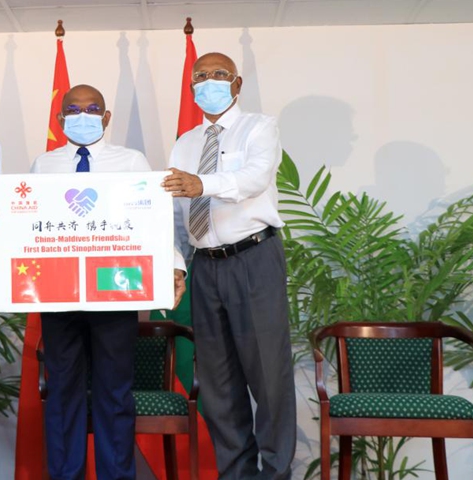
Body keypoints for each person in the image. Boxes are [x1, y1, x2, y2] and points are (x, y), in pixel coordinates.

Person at [31, 84, 186, 480]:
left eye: (93, 108)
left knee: (114, 393)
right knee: (63, 393)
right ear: (60, 118)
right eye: (74, 109)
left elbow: (155, 218)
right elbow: (29, 227)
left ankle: (117, 475)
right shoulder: (43, 165)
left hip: (114, 292)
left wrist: (172, 266)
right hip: (58, 295)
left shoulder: (131, 161)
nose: (83, 115)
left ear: (107, 117)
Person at [162, 53, 296, 479]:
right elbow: (176, 214)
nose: (209, 82)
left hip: (253, 259)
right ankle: (236, 474)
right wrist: (177, 266)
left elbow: (256, 177)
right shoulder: (184, 143)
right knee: (218, 384)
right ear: (191, 90)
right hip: (206, 268)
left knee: (268, 378)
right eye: (200, 77)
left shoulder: (259, 127)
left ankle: (275, 473)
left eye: (219, 75)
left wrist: (203, 183)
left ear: (236, 85)